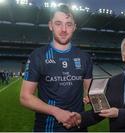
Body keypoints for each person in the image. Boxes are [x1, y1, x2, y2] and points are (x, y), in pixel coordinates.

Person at [19, 4, 92, 132]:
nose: (64, 29)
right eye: (58, 23)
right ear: (50, 25)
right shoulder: (38, 56)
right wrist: (56, 112)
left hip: (79, 127)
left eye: (69, 24)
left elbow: (89, 91)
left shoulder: (84, 57)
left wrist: (90, 96)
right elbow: (25, 97)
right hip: (48, 128)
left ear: (74, 27)